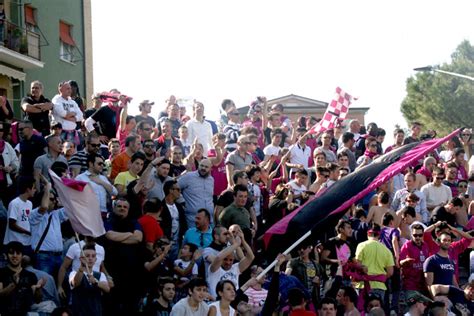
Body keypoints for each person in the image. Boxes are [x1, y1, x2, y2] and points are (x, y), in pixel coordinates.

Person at [0, 241, 45, 316]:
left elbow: (38, 300)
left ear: (22, 256)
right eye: (11, 253)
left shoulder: (30, 275)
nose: (15, 256)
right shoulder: (1, 273)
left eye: (18, 253)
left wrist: (38, 289)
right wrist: (13, 284)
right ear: (6, 255)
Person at [355, 224, 394, 303]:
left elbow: (357, 265)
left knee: (362, 311)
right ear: (379, 234)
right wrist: (378, 277)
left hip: (363, 285)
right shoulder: (386, 250)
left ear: (367, 234)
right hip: (380, 286)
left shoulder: (361, 245)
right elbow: (390, 272)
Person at [68, 244, 110, 316]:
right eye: (87, 256)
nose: (90, 258)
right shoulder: (73, 273)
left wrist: (96, 282)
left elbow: (107, 288)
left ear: (96, 259)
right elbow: (75, 283)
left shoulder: (100, 275)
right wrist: (81, 269)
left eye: (93, 256)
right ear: (81, 259)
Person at [208, 234, 254, 298]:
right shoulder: (213, 268)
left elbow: (251, 257)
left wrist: (243, 241)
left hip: (233, 301)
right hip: (218, 302)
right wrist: (236, 244)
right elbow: (218, 258)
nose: (228, 262)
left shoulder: (236, 268)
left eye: (231, 260)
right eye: (225, 259)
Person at [286, 241, 324, 308]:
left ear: (310, 249)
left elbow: (320, 282)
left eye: (304, 248)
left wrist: (318, 282)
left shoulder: (316, 264)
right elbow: (287, 277)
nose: (302, 250)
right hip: (299, 299)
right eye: (299, 249)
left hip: (313, 299)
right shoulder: (293, 262)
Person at [3, 176, 36, 254]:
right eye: (34, 188)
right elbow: (12, 224)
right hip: (14, 243)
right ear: (28, 189)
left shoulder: (30, 203)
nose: (35, 190)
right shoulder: (15, 203)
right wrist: (28, 232)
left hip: (27, 242)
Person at [178, 158, 214, 228]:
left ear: (210, 169)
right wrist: (181, 201)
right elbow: (174, 187)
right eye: (201, 165)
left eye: (206, 167)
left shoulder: (211, 179)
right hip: (193, 219)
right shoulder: (189, 176)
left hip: (209, 220)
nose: (203, 168)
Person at [399, 224, 430, 294]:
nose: (418, 237)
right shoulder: (406, 246)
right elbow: (399, 262)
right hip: (411, 284)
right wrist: (405, 261)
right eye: (415, 235)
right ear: (411, 235)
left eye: (420, 235)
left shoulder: (425, 246)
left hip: (423, 284)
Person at [51, 81, 83, 146]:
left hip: (72, 132)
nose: (70, 90)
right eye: (67, 88)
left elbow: (81, 116)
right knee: (61, 153)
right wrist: (73, 114)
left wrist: (69, 116)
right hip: (61, 133)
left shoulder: (72, 102)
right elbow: (62, 113)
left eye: (70, 88)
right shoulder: (56, 99)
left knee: (73, 154)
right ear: (60, 89)